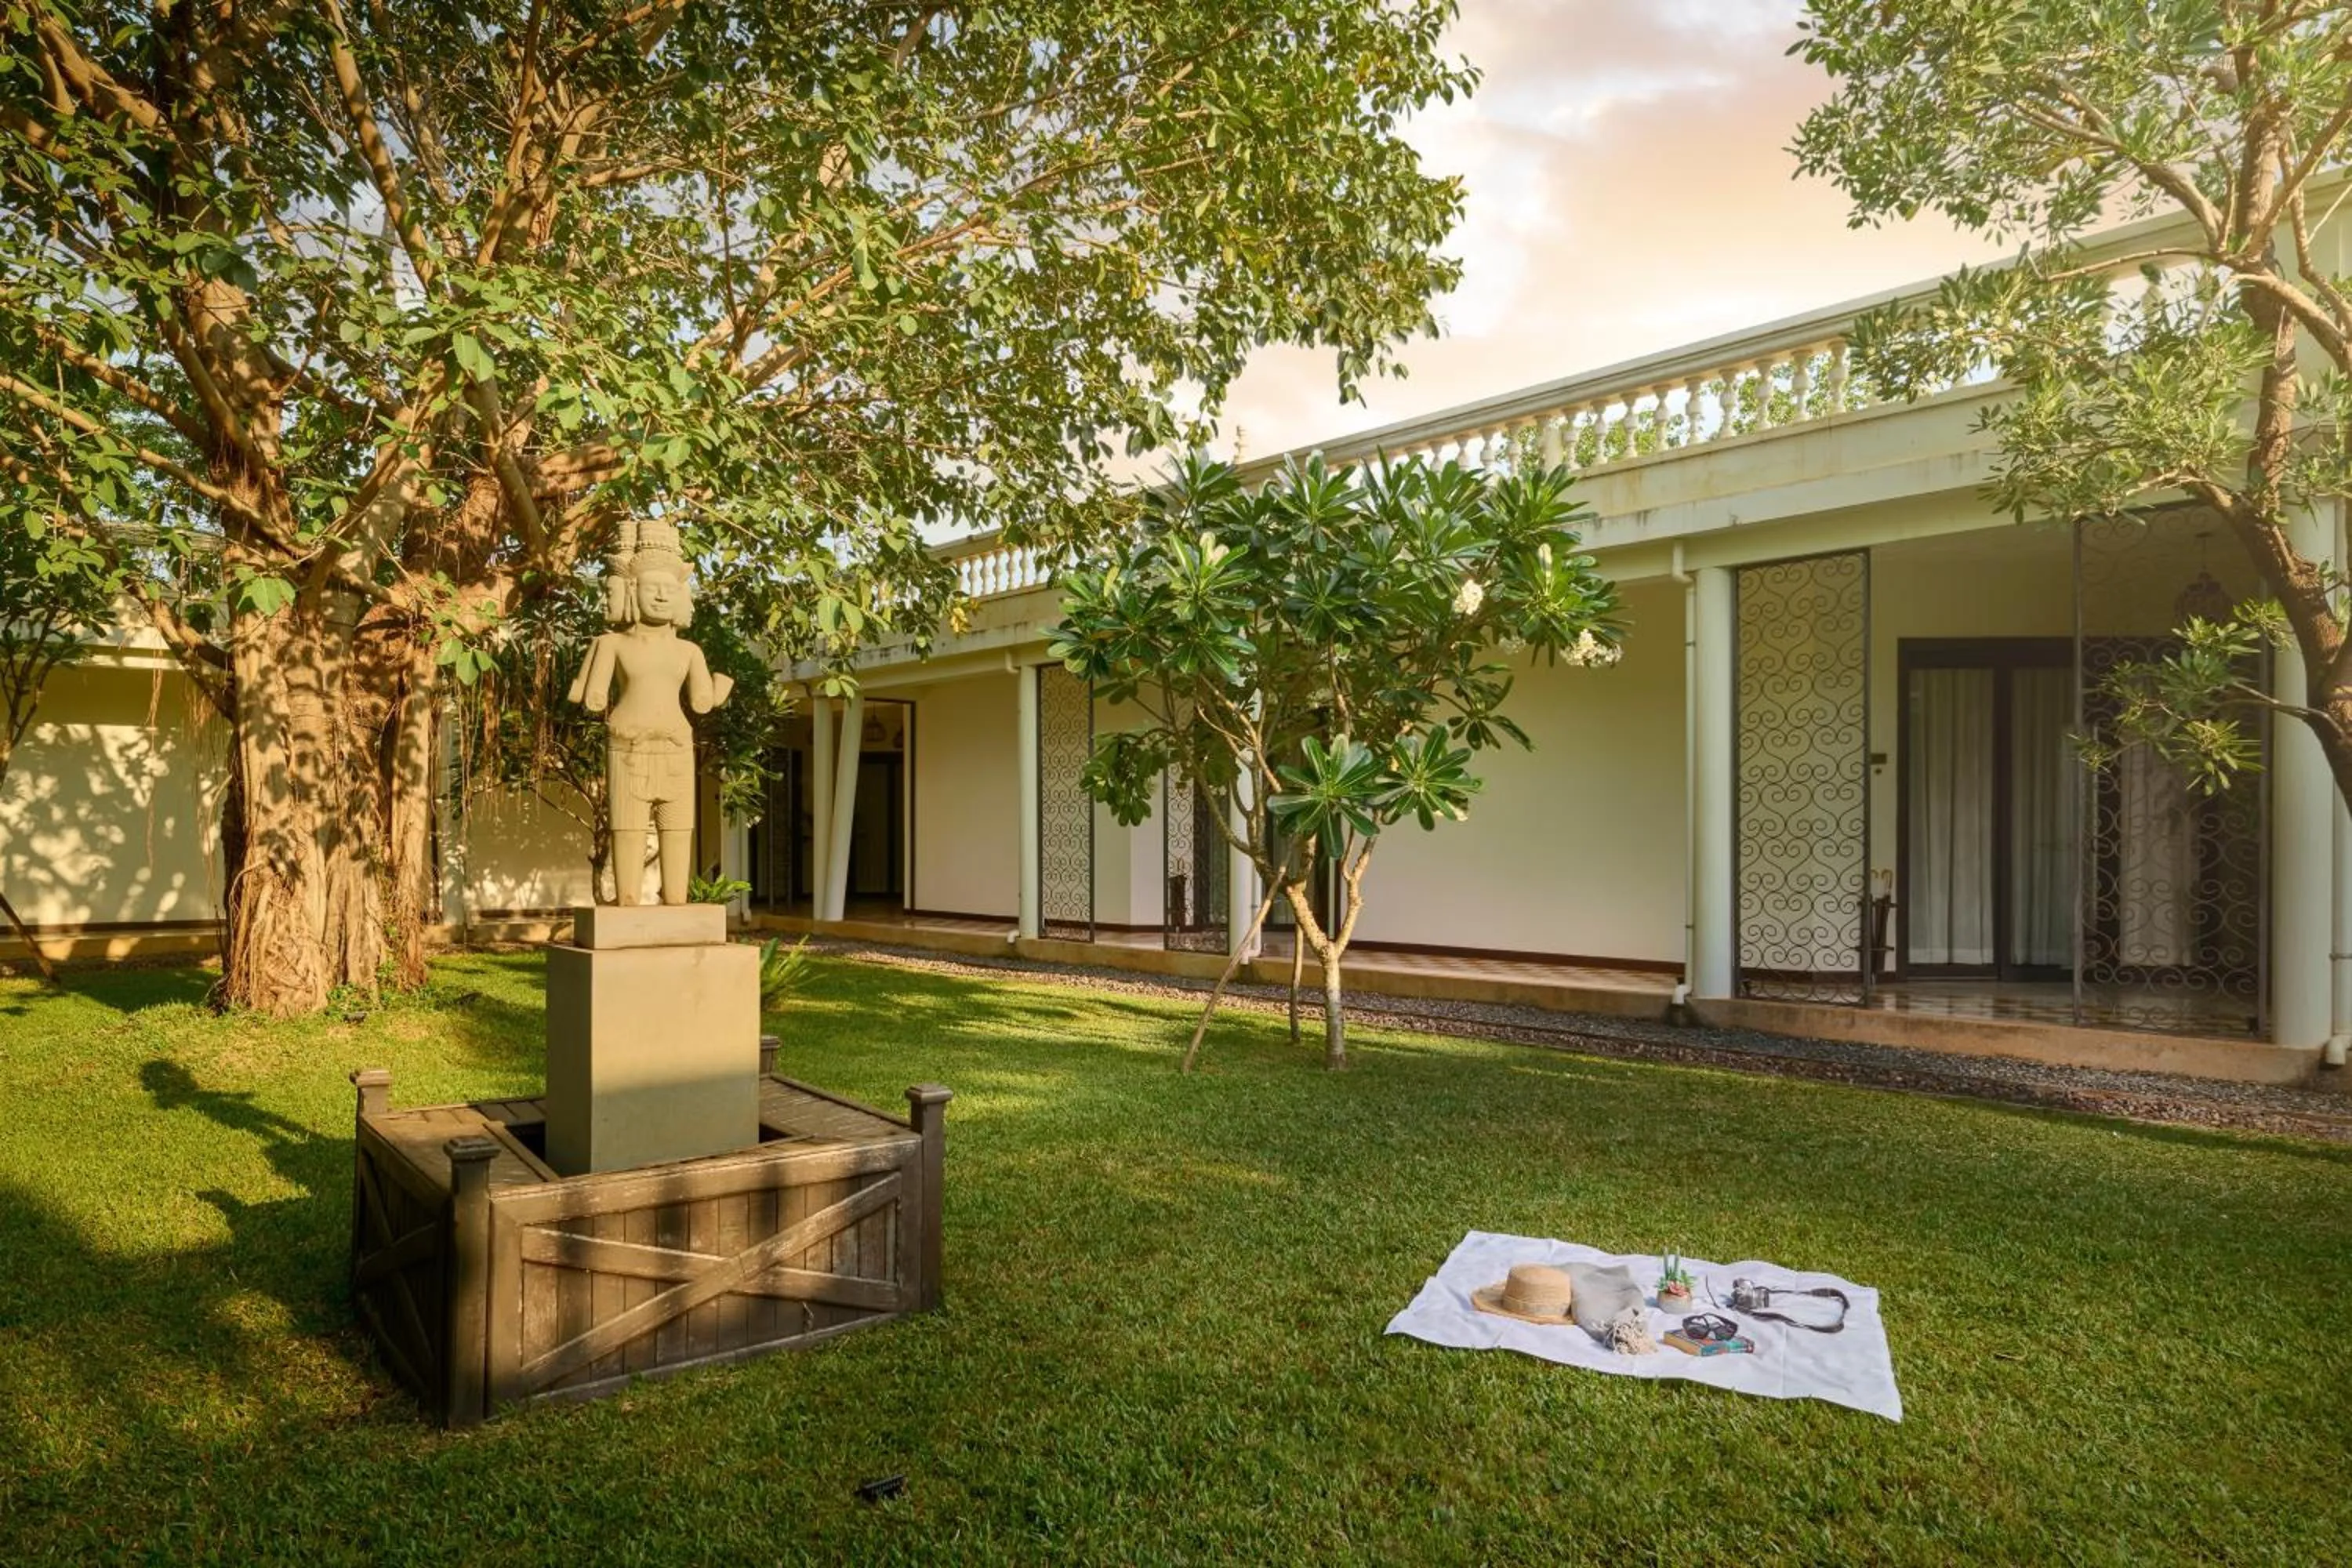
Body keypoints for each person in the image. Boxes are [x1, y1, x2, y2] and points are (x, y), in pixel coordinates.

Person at [568, 524, 731, 905]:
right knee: (628, 830)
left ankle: (677, 903)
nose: (660, 595)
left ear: (682, 597)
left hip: (676, 744)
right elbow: (594, 698)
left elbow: (702, 702)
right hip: (628, 745)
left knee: (677, 831)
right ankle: (627, 905)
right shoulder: (612, 644)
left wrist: (721, 687)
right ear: (630, 591)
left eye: (670, 588)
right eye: (650, 586)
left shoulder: (689, 651)